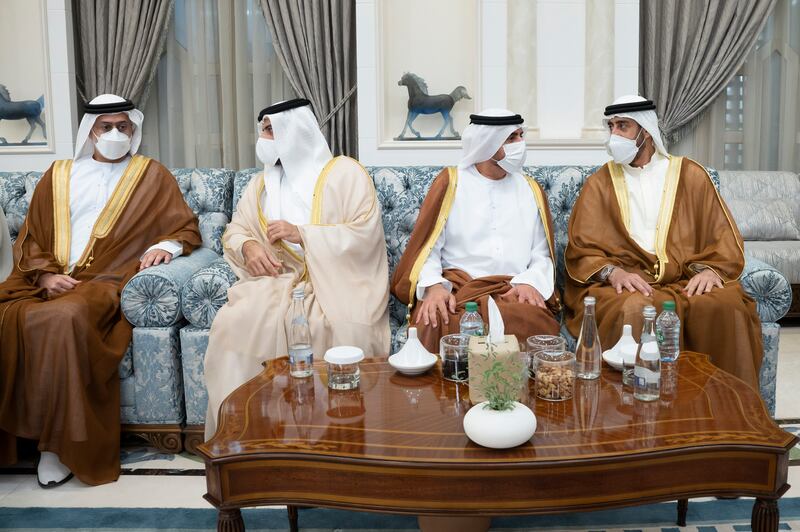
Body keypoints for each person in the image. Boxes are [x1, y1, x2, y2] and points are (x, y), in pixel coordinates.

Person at [0, 94, 202, 488]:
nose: (114, 134)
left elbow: (185, 228)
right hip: (46, 279)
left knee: (63, 317)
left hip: (106, 280)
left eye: (122, 127)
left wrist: (166, 246)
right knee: (12, 315)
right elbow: (30, 238)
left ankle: (58, 447)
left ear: (133, 130)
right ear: (89, 131)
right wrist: (43, 277)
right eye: (105, 127)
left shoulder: (150, 175)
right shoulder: (58, 175)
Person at [204, 98, 390, 438]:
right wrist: (249, 246)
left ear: (295, 129)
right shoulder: (261, 185)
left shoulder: (345, 173)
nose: (264, 137)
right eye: (262, 130)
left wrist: (303, 234)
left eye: (272, 129)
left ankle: (331, 438)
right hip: (278, 281)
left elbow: (365, 234)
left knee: (332, 326)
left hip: (338, 283)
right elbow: (236, 229)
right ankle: (249, 436)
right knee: (236, 321)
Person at [565, 95, 762, 389]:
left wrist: (711, 271)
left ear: (645, 132)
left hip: (685, 278)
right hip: (627, 282)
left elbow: (721, 236)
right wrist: (613, 272)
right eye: (611, 128)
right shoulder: (600, 183)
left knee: (726, 306)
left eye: (623, 127)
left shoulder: (690, 175)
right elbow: (582, 248)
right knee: (632, 310)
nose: (614, 136)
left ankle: (725, 410)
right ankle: (634, 413)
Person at [391, 108, 560, 352]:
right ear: (488, 143)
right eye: (512, 138)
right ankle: (442, 392)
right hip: (458, 288)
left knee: (533, 323)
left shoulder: (529, 188)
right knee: (434, 319)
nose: (520, 144)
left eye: (521, 136)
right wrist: (434, 286)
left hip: (513, 287)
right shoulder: (451, 183)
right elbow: (428, 248)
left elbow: (541, 254)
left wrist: (530, 283)